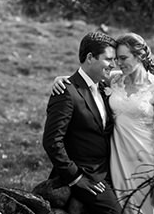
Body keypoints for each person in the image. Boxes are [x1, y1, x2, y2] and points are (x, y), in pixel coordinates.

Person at [54, 32, 154, 214]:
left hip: (146, 162)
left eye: (124, 58)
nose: (118, 63)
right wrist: (61, 79)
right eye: (117, 58)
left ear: (140, 55)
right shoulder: (115, 79)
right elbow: (86, 76)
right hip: (118, 160)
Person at [43, 31, 121, 214]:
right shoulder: (66, 92)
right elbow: (52, 141)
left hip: (111, 170)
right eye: (109, 59)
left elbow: (134, 73)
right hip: (86, 176)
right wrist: (76, 177)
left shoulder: (103, 87)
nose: (113, 65)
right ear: (90, 58)